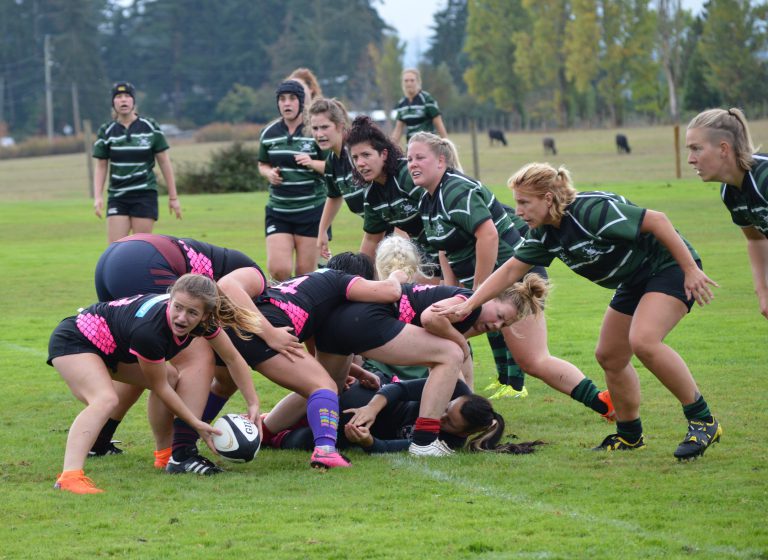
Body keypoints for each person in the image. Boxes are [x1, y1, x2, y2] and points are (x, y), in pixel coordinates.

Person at [435, 162, 722, 460]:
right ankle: (629, 436)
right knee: (609, 355)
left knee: (644, 341)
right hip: (634, 280)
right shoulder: (546, 233)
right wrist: (470, 303)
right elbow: (509, 272)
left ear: (548, 198)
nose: (517, 211)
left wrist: (689, 268)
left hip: (669, 267)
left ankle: (703, 420)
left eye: (524, 202)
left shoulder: (590, 211)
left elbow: (659, 221)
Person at [89, 233, 302, 464]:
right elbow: (228, 286)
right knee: (198, 355)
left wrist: (252, 400)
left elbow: (231, 358)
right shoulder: (257, 277)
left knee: (142, 358)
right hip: (146, 261)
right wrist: (270, 333)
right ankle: (178, 454)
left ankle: (99, 439)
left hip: (118, 255)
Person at [47, 274, 262, 494]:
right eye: (177, 307)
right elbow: (160, 388)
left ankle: (165, 454)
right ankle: (70, 477)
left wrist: (253, 402)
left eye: (192, 313)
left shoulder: (204, 323)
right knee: (105, 399)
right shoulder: (149, 332)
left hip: (109, 346)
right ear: (170, 299)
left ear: (205, 315)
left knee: (169, 376)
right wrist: (194, 423)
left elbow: (233, 358)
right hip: (76, 339)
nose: (181, 317)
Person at [189, 260, 409, 469]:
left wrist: (357, 371)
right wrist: (397, 275)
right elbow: (391, 292)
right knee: (324, 387)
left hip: (235, 326)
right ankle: (325, 451)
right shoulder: (340, 278)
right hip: (264, 328)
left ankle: (183, 442)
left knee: (227, 384)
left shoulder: (310, 289)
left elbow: (314, 360)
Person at [266, 378, 545, 455]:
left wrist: (367, 441)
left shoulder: (445, 445)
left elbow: (387, 447)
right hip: (359, 400)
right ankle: (265, 423)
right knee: (316, 394)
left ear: (462, 433)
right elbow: (399, 388)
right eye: (445, 409)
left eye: (448, 422)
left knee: (302, 441)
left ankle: (269, 434)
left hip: (350, 429)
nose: (439, 416)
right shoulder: (453, 387)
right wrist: (371, 409)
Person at [686, 107, 768, 320]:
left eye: (696, 149)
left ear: (723, 149)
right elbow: (756, 240)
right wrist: (763, 292)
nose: (690, 159)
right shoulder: (730, 193)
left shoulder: (764, 179)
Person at [346, 115, 438, 275]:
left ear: (384, 154)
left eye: (366, 155)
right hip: (429, 256)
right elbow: (371, 239)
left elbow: (445, 221)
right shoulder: (372, 193)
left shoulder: (407, 177)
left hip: (454, 250)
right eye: (355, 157)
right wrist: (356, 279)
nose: (360, 163)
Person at [92, 82, 182, 243]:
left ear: (134, 102)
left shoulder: (150, 127)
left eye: (127, 96)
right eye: (118, 97)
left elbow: (164, 162)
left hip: (144, 196)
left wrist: (173, 197)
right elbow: (101, 166)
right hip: (118, 196)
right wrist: (98, 196)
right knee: (115, 251)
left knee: (140, 250)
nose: (123, 100)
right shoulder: (106, 131)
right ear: (113, 103)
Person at [258, 80, 326, 281]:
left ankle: (304, 311)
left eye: (292, 99)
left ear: (301, 102)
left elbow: (332, 167)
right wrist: (268, 173)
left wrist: (313, 163)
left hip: (310, 211)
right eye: (282, 99)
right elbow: (262, 163)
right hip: (279, 210)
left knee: (305, 274)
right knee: (278, 270)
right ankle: (281, 310)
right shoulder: (268, 134)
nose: (286, 103)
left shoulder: (314, 131)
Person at [308, 98, 364, 261]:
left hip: (398, 227)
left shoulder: (357, 153)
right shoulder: (332, 161)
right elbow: (334, 196)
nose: (319, 134)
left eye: (325, 127)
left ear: (340, 126)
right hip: (377, 230)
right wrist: (322, 231)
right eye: (315, 128)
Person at [391, 68, 448, 145]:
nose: (409, 83)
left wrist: (446, 144)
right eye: (406, 81)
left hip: (428, 146)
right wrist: (390, 148)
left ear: (418, 82)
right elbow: (398, 130)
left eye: (412, 80)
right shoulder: (401, 104)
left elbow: (439, 124)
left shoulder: (427, 99)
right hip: (411, 147)